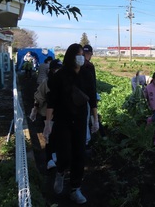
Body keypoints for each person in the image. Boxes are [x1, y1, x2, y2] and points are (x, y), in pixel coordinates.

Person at [43, 43, 99, 205]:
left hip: (81, 120)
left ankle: (75, 188)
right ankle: (60, 172)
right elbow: (51, 101)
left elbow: (92, 98)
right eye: (79, 54)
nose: (82, 57)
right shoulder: (59, 76)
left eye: (83, 54)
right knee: (65, 153)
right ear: (71, 57)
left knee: (79, 155)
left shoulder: (87, 75)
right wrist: (48, 123)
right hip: (62, 120)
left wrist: (95, 120)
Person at [29, 59, 62, 170]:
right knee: (49, 136)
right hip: (47, 114)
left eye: (60, 69)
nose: (58, 71)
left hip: (61, 114)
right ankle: (49, 159)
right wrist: (35, 109)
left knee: (58, 135)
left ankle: (54, 154)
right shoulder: (47, 82)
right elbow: (38, 98)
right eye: (56, 69)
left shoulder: (64, 82)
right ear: (51, 70)